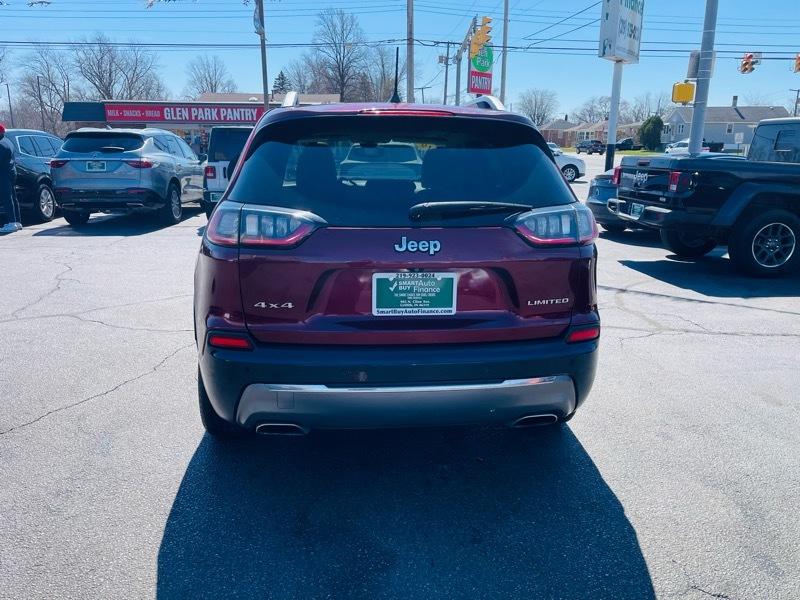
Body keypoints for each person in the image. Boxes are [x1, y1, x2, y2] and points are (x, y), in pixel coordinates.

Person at [0, 123, 22, 233]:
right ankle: (17, 221)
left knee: (7, 198)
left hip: (3, 174)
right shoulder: (8, 142)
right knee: (13, 197)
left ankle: (12, 222)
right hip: (11, 172)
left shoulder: (0, 144)